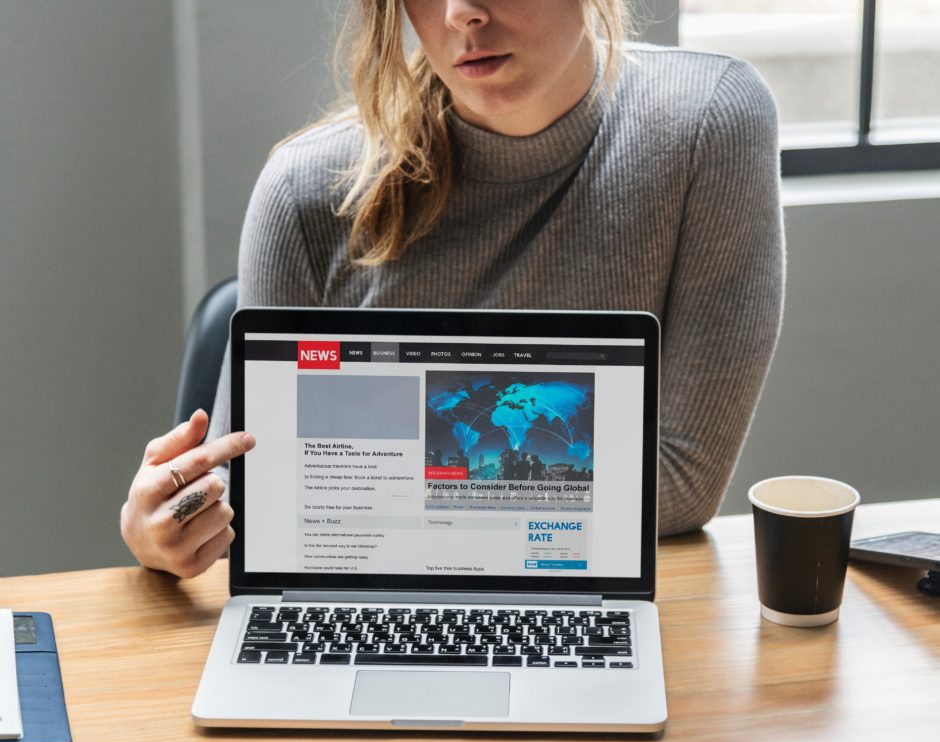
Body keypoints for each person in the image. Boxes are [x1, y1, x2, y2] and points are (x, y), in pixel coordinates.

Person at [121, 0, 784, 579]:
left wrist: (352, 481)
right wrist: (162, 526)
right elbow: (256, 502)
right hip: (372, 605)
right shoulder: (307, 191)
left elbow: (678, 481)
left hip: (581, 598)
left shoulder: (707, 127)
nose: (459, 12)